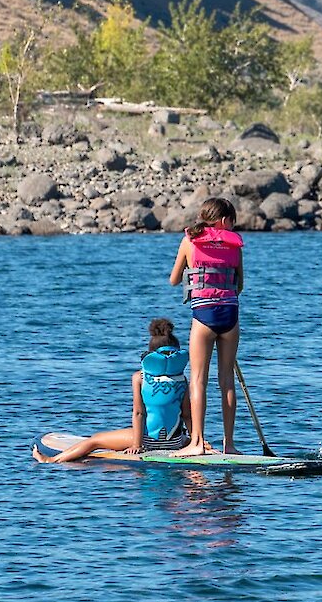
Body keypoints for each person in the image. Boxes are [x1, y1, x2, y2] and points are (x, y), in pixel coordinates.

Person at [33, 319, 190, 462]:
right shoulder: (182, 379)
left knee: (95, 440)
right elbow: (187, 415)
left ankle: (50, 460)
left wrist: (137, 445)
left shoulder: (139, 377)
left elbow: (138, 413)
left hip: (148, 441)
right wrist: (196, 441)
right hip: (175, 442)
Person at [169, 197, 243, 456]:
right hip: (230, 317)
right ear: (224, 221)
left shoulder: (189, 240)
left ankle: (197, 443)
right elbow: (239, 285)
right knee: (227, 382)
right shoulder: (235, 246)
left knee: (199, 380)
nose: (233, 227)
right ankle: (230, 445)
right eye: (232, 222)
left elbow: (173, 279)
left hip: (204, 316)